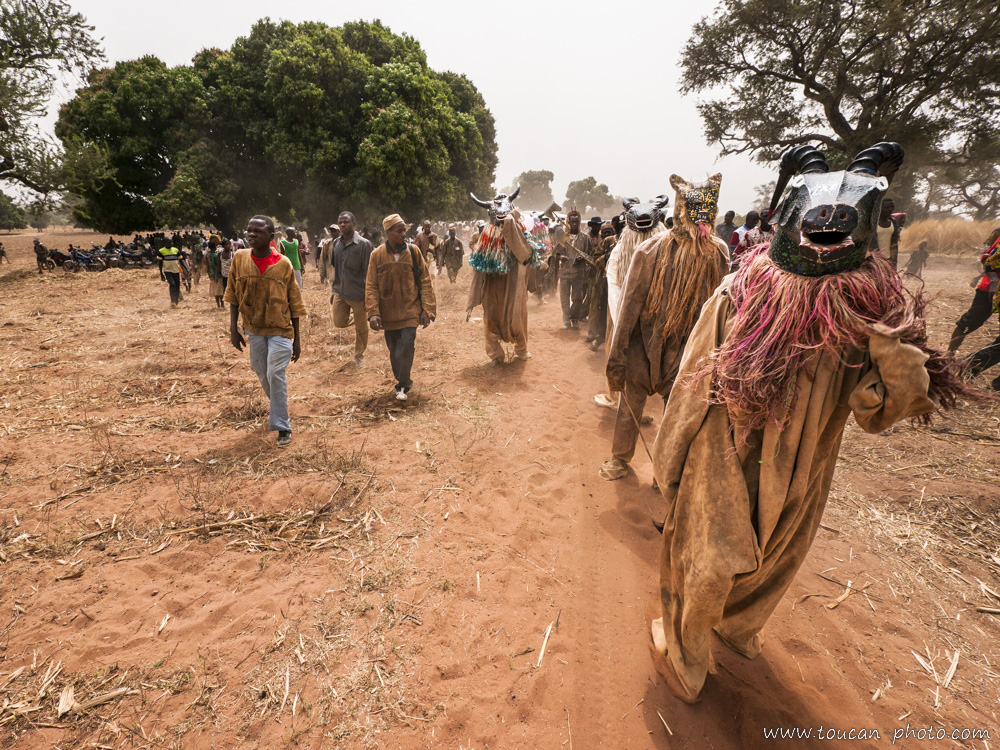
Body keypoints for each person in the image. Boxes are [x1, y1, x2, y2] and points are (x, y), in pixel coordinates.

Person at [647, 143, 971, 704]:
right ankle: (707, 647)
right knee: (736, 550)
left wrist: (894, 346)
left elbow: (881, 408)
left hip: (777, 461)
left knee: (736, 553)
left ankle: (712, 640)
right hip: (749, 454)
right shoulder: (746, 293)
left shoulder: (861, 317)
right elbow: (699, 380)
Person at [600, 174, 729, 481]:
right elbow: (629, 304)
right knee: (630, 404)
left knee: (677, 415)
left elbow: (722, 306)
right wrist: (618, 356)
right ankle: (620, 457)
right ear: (678, 212)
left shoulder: (718, 254)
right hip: (643, 346)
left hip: (688, 349)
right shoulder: (650, 252)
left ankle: (665, 472)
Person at [225, 215, 306, 448]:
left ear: (271, 238)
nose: (251, 235)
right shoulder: (239, 259)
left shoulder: (283, 264)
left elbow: (295, 303)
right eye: (249, 231)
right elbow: (231, 294)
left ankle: (283, 426)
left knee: (275, 373)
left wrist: (297, 340)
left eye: (257, 232)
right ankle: (280, 407)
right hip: (254, 329)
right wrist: (233, 328)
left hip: (281, 329)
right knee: (261, 370)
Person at [366, 214, 436, 400]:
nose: (404, 234)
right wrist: (373, 313)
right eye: (399, 231)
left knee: (406, 345)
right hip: (388, 315)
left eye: (404, 230)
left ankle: (403, 384)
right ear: (388, 233)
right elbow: (371, 285)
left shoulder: (414, 252)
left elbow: (425, 281)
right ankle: (402, 379)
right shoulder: (377, 255)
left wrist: (427, 309)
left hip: (410, 311)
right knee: (394, 351)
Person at [330, 211, 374, 365]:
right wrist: (333, 290)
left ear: (353, 223)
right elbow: (336, 269)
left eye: (346, 222)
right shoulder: (336, 243)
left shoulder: (363, 245)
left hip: (358, 294)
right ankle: (359, 318)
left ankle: (359, 357)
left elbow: (369, 272)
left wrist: (370, 296)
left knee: (361, 330)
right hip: (340, 292)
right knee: (339, 322)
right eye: (340, 222)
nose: (342, 225)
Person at [948, 226, 1000, 353]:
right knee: (969, 322)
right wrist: (993, 285)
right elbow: (988, 260)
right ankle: (949, 355)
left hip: (992, 288)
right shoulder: (997, 233)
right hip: (990, 289)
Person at [556, 210, 592, 328]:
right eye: (573, 222)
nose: (575, 224)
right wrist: (561, 257)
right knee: (565, 299)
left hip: (579, 274)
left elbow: (591, 254)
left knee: (578, 298)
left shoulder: (585, 238)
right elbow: (556, 253)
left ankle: (574, 317)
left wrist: (583, 257)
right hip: (565, 273)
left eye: (577, 221)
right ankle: (566, 320)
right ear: (568, 222)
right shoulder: (563, 238)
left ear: (580, 222)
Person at [869, 198, 901, 267]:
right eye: (887, 207)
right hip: (873, 261)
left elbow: (894, 244)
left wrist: (894, 263)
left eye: (892, 207)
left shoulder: (893, 222)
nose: (890, 209)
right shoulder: (871, 223)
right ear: (879, 208)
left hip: (888, 260)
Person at [158, 240, 183, 307]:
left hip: (176, 271)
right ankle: (172, 301)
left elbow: (181, 260)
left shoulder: (176, 250)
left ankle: (176, 303)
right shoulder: (161, 251)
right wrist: (161, 273)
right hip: (168, 271)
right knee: (172, 284)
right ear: (165, 243)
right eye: (169, 242)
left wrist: (187, 269)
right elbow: (160, 263)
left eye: (172, 242)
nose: (171, 243)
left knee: (177, 286)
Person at [207, 241, 225, 309]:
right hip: (218, 275)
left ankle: (218, 304)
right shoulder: (215, 255)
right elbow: (218, 265)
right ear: (215, 247)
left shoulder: (207, 255)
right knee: (220, 291)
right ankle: (222, 304)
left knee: (215, 290)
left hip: (211, 274)